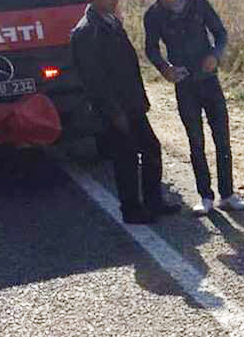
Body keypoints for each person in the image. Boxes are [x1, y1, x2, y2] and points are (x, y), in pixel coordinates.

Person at [71, 0, 180, 224]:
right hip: (114, 109)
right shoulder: (86, 32)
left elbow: (128, 66)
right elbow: (94, 81)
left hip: (132, 104)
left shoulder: (111, 22)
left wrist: (140, 101)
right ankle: (131, 210)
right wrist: (114, 113)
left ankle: (153, 201)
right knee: (126, 159)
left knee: (151, 148)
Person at [144, 0, 244, 215]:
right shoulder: (153, 14)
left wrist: (215, 55)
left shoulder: (198, 4)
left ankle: (227, 195)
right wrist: (165, 68)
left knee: (222, 139)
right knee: (196, 141)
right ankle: (205, 196)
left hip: (209, 80)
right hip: (184, 85)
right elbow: (151, 49)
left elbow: (220, 33)